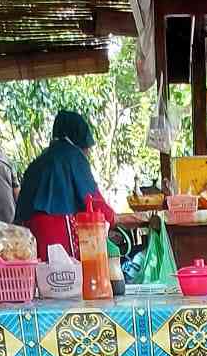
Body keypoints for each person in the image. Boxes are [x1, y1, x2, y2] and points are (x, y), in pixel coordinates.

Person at [14, 109, 138, 260]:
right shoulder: (73, 156)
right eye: (87, 147)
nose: (88, 152)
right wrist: (114, 218)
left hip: (30, 237)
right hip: (58, 232)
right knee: (67, 278)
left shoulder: (38, 162)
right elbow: (92, 199)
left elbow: (20, 210)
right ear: (79, 140)